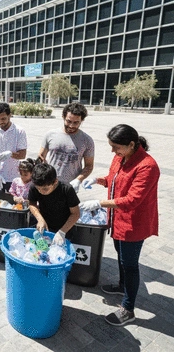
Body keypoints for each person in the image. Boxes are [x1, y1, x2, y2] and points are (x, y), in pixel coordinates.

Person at [80, 124, 160, 326]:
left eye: (116, 147)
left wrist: (99, 203)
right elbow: (113, 180)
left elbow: (132, 199)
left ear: (131, 144)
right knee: (121, 255)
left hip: (134, 223)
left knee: (130, 264)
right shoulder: (120, 157)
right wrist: (98, 180)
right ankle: (122, 285)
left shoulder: (147, 166)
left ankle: (128, 308)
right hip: (117, 219)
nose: (113, 151)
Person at [38, 102, 94, 192]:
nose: (71, 125)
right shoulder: (50, 135)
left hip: (70, 187)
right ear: (63, 117)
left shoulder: (87, 140)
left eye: (76, 122)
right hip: (48, 185)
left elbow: (89, 166)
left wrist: (78, 180)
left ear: (82, 120)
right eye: (68, 121)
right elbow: (41, 157)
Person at [28, 163, 80, 246]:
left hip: (64, 227)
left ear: (55, 181)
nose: (41, 192)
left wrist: (62, 232)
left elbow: (76, 213)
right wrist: (40, 219)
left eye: (45, 189)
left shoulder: (66, 189)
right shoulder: (34, 186)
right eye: (38, 189)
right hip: (45, 227)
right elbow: (32, 203)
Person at [0, 102, 27, 193]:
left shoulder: (19, 131)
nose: (0, 122)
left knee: (12, 205)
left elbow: (23, 154)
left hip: (12, 178)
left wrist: (11, 154)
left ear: (10, 115)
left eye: (3, 118)